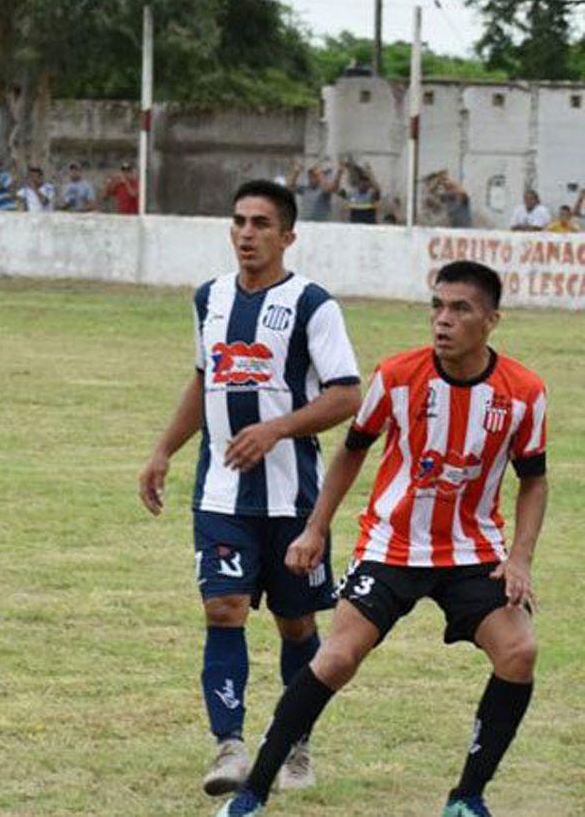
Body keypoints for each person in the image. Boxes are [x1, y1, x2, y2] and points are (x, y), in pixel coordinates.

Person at [217, 261, 549, 817]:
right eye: (437, 306)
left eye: (460, 309)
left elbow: (533, 480)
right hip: (391, 545)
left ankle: (466, 799)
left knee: (519, 652)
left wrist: (520, 557)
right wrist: (316, 527)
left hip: (474, 552)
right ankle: (253, 793)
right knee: (338, 657)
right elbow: (353, 450)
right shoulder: (396, 376)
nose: (443, 320)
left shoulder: (523, 392)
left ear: (491, 320)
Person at [139, 179, 361, 797]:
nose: (246, 233)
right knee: (223, 609)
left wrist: (277, 429)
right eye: (239, 221)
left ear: (288, 236)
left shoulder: (314, 304)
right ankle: (230, 747)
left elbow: (347, 394)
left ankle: (294, 746)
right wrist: (163, 451)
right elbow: (202, 379)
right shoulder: (208, 299)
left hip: (293, 500)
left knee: (296, 625)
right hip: (221, 495)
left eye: (262, 223)